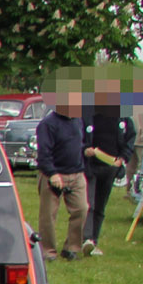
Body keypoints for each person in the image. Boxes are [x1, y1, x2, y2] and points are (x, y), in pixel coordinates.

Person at [34, 81, 89, 260]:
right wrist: (52, 174)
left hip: (76, 173)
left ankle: (71, 247)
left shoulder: (77, 120)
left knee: (81, 209)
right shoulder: (48, 124)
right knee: (48, 215)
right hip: (54, 174)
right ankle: (48, 251)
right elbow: (44, 154)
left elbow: (80, 144)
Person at [81, 76, 135, 255]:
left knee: (101, 206)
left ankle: (93, 241)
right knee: (90, 203)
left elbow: (130, 137)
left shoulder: (122, 115)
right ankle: (85, 238)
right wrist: (85, 149)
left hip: (111, 167)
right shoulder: (88, 114)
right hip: (91, 166)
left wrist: (123, 158)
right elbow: (79, 136)